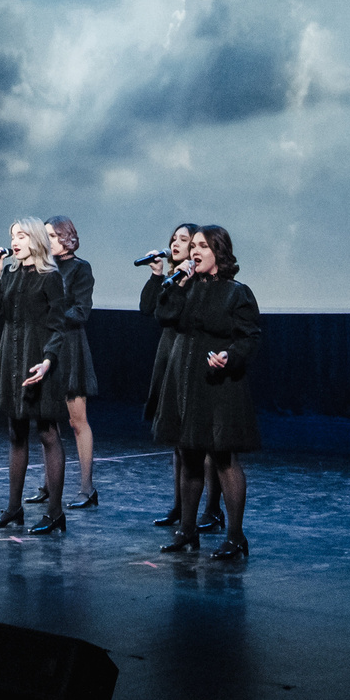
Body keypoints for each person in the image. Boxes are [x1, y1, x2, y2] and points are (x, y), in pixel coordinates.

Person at [151, 223, 259, 559]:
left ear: (219, 253)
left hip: (218, 383)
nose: (194, 251)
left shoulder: (236, 292)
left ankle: (236, 536)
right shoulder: (186, 286)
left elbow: (249, 337)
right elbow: (163, 314)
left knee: (223, 458)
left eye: (202, 247)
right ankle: (187, 531)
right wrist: (176, 282)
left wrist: (230, 355)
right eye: (192, 246)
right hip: (184, 379)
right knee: (189, 457)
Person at [0, 216, 71, 534]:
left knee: (48, 433)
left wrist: (48, 360)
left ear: (35, 239)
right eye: (12, 236)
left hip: (39, 359)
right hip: (11, 358)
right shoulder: (9, 273)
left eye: (21, 235)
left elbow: (58, 325)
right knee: (16, 433)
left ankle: (55, 512)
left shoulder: (49, 277)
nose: (14, 241)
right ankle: (13, 509)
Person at [141, 224, 222, 534]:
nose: (175, 243)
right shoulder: (174, 278)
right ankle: (180, 506)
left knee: (204, 443)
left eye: (184, 240)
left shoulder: (199, 279)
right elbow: (148, 308)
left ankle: (212, 509)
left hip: (194, 354)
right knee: (177, 438)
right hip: (169, 354)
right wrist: (157, 275)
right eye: (173, 239)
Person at [39, 215, 101, 508]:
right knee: (46, 421)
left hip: (70, 348)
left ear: (66, 237)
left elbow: (81, 310)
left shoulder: (79, 268)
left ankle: (87, 487)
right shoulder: (43, 269)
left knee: (77, 421)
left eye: (51, 236)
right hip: (46, 345)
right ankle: (49, 485)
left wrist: (51, 312)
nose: (47, 241)